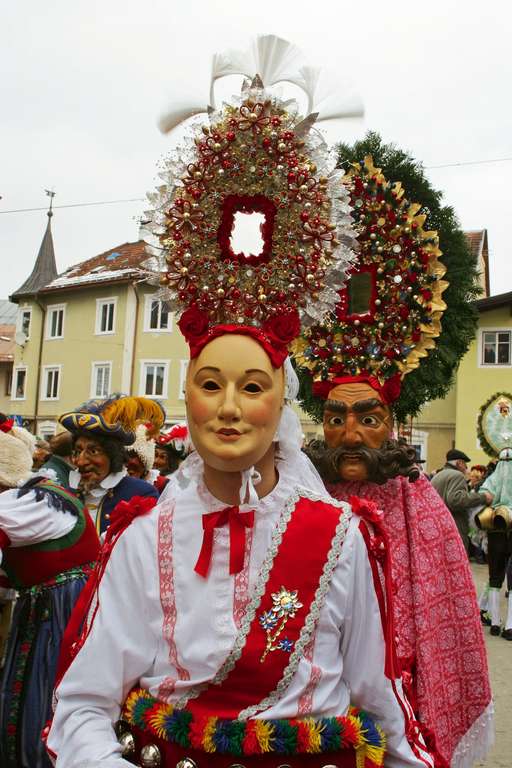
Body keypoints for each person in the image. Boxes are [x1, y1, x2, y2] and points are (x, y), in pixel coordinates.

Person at [47, 41, 434, 768]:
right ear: (186, 393)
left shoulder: (342, 539)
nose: (228, 407)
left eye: (252, 387)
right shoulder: (142, 540)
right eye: (210, 383)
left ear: (281, 401)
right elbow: (82, 708)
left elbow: (381, 702)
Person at [293, 156, 493, 766]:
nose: (349, 433)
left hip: (398, 716)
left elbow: (447, 628)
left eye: (368, 417)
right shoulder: (296, 498)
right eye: (335, 417)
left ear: (394, 424)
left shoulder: (424, 512)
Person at [0, 414, 101, 768]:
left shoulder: (36, 501)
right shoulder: (28, 500)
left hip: (60, 612)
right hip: (41, 608)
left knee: (45, 693)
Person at [59, 395, 162, 534]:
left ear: (113, 457)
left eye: (93, 451)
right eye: (78, 451)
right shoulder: (65, 493)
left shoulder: (140, 493)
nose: (81, 461)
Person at [474, 447, 512, 638]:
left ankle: (496, 622)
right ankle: (510, 625)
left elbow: (484, 495)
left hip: (496, 530)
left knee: (495, 576)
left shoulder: (493, 478)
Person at [431, 449, 491, 550]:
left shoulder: (437, 476)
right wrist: (483, 497)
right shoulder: (457, 475)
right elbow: (456, 500)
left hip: (438, 527)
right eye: (465, 464)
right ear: (459, 463)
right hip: (453, 528)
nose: (466, 467)